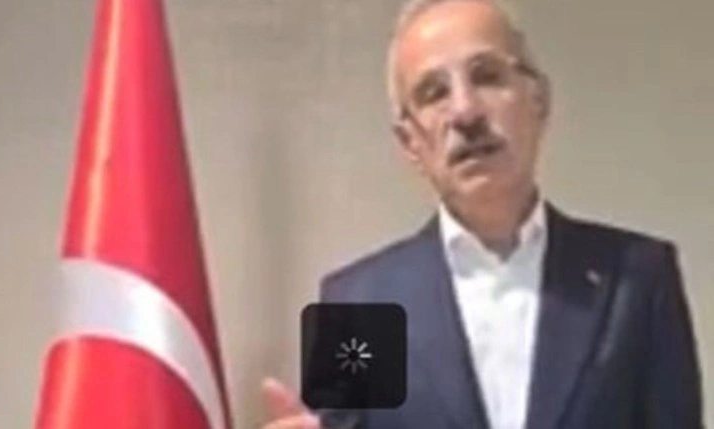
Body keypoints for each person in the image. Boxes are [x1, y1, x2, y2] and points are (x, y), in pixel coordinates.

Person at [260, 0, 704, 427]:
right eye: (434, 92)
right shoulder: (358, 304)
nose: (465, 111)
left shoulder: (639, 279)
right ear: (410, 142)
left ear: (538, 101)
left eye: (487, 76)